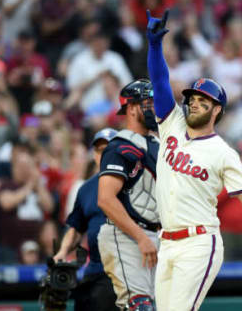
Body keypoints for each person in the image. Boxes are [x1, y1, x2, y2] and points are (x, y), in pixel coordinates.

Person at [146, 10, 242, 311]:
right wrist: (154, 49)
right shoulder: (172, 124)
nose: (194, 104)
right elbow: (159, 80)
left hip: (199, 243)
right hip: (166, 242)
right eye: (192, 100)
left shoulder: (222, 152)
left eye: (202, 101)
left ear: (216, 110)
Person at [97, 79, 160, 310]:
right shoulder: (118, 146)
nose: (154, 108)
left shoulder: (157, 143)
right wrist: (140, 237)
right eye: (148, 103)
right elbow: (105, 199)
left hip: (156, 234)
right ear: (132, 108)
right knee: (140, 306)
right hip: (127, 235)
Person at [53, 127, 119, 311]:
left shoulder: (134, 183)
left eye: (109, 149)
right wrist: (63, 251)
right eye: (99, 150)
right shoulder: (86, 189)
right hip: (96, 268)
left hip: (124, 270)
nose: (103, 154)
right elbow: (75, 227)